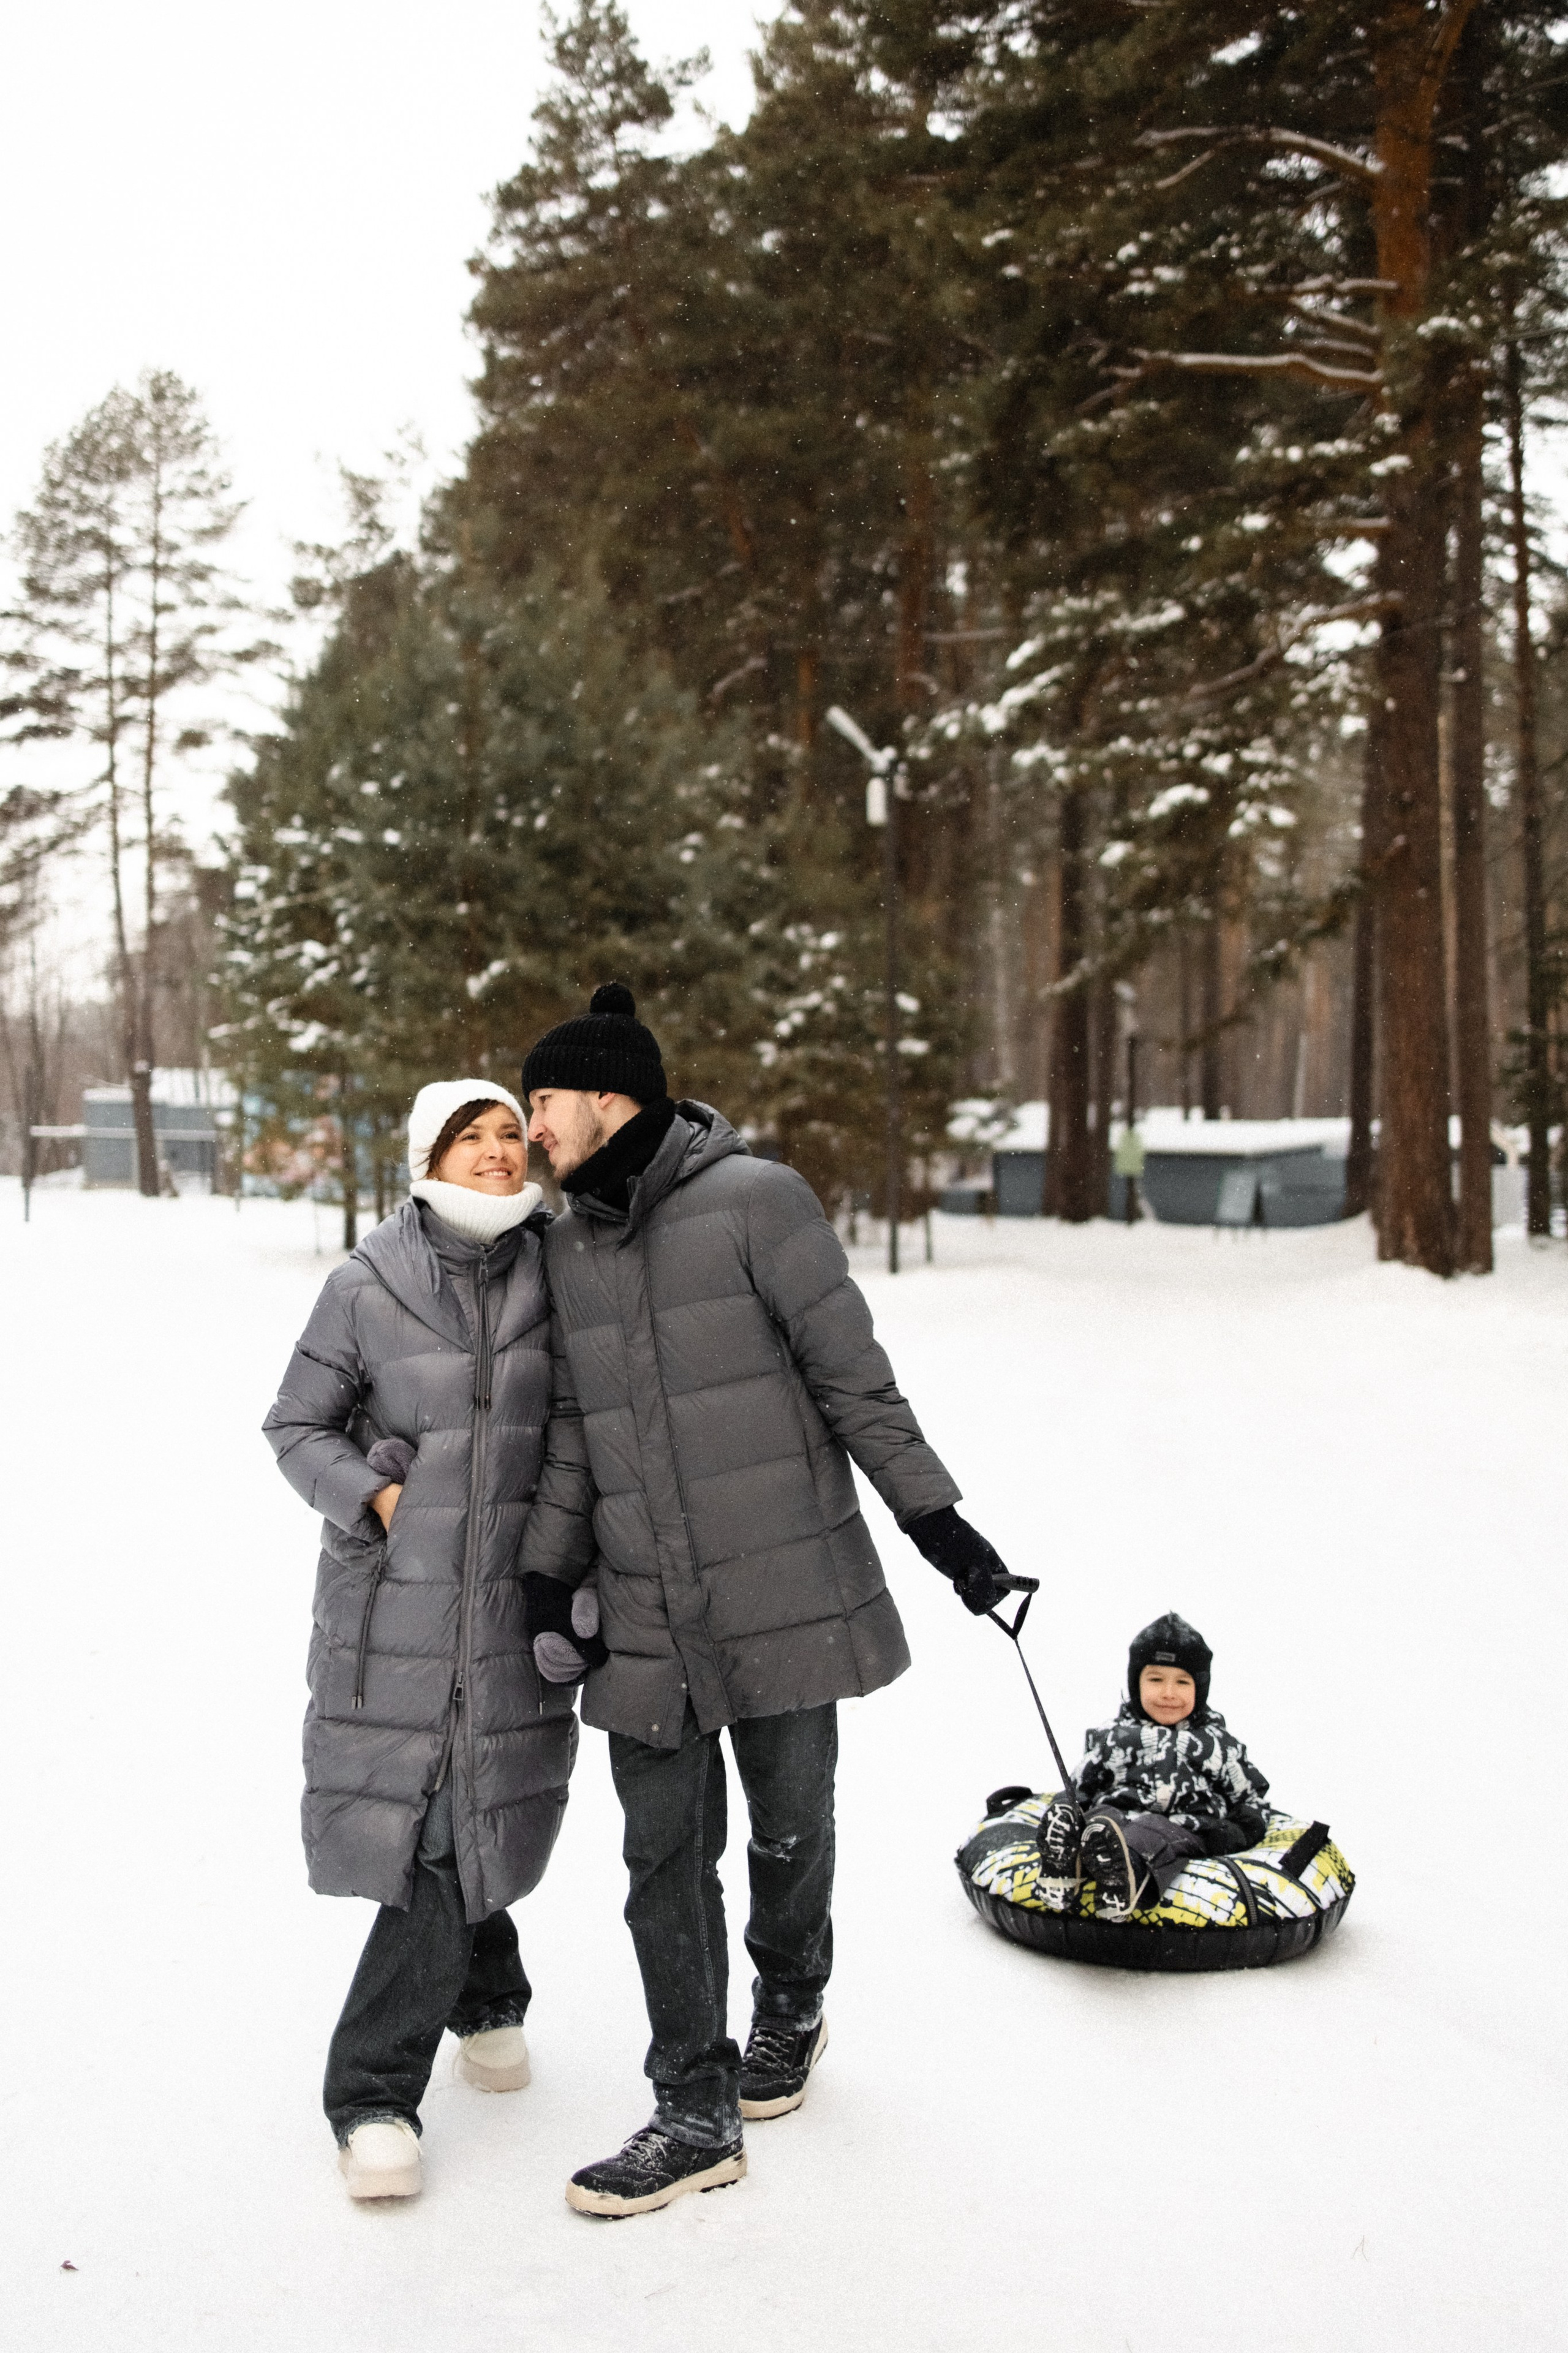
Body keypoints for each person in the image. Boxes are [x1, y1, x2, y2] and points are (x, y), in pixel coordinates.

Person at [514, 982, 1016, 2219]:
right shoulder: (565, 1239)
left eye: (541, 1102)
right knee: (659, 1854)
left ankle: (788, 2003)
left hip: (779, 1580)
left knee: (791, 1825)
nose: (529, 1128)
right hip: (640, 1603)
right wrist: (545, 1569)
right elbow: (576, 1431)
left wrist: (943, 1530)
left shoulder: (758, 1202)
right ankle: (691, 2105)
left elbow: (856, 1384)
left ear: (604, 1095)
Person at [262, 1081, 576, 2202]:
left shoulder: (561, 1265)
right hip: (396, 1607)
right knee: (436, 1822)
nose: (499, 1155)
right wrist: (373, 1499)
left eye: (509, 1136)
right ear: (428, 1155)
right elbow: (293, 1425)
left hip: (512, 1604)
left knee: (479, 1795)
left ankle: (488, 1993)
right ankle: (373, 2092)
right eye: (472, 1138)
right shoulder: (367, 1283)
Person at [1035, 1611, 1270, 1921]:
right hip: (1113, 1820)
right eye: (1156, 1679)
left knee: (1152, 1832)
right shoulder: (1113, 1737)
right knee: (1102, 1818)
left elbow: (1250, 1797)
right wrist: (1069, 1806)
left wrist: (1235, 1832)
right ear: (1137, 1684)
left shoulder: (1216, 1743)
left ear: (1200, 1688)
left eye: (1183, 1682)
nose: (1168, 1693)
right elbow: (1082, 1785)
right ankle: (1066, 1864)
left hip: (1184, 1827)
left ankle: (1123, 1874)